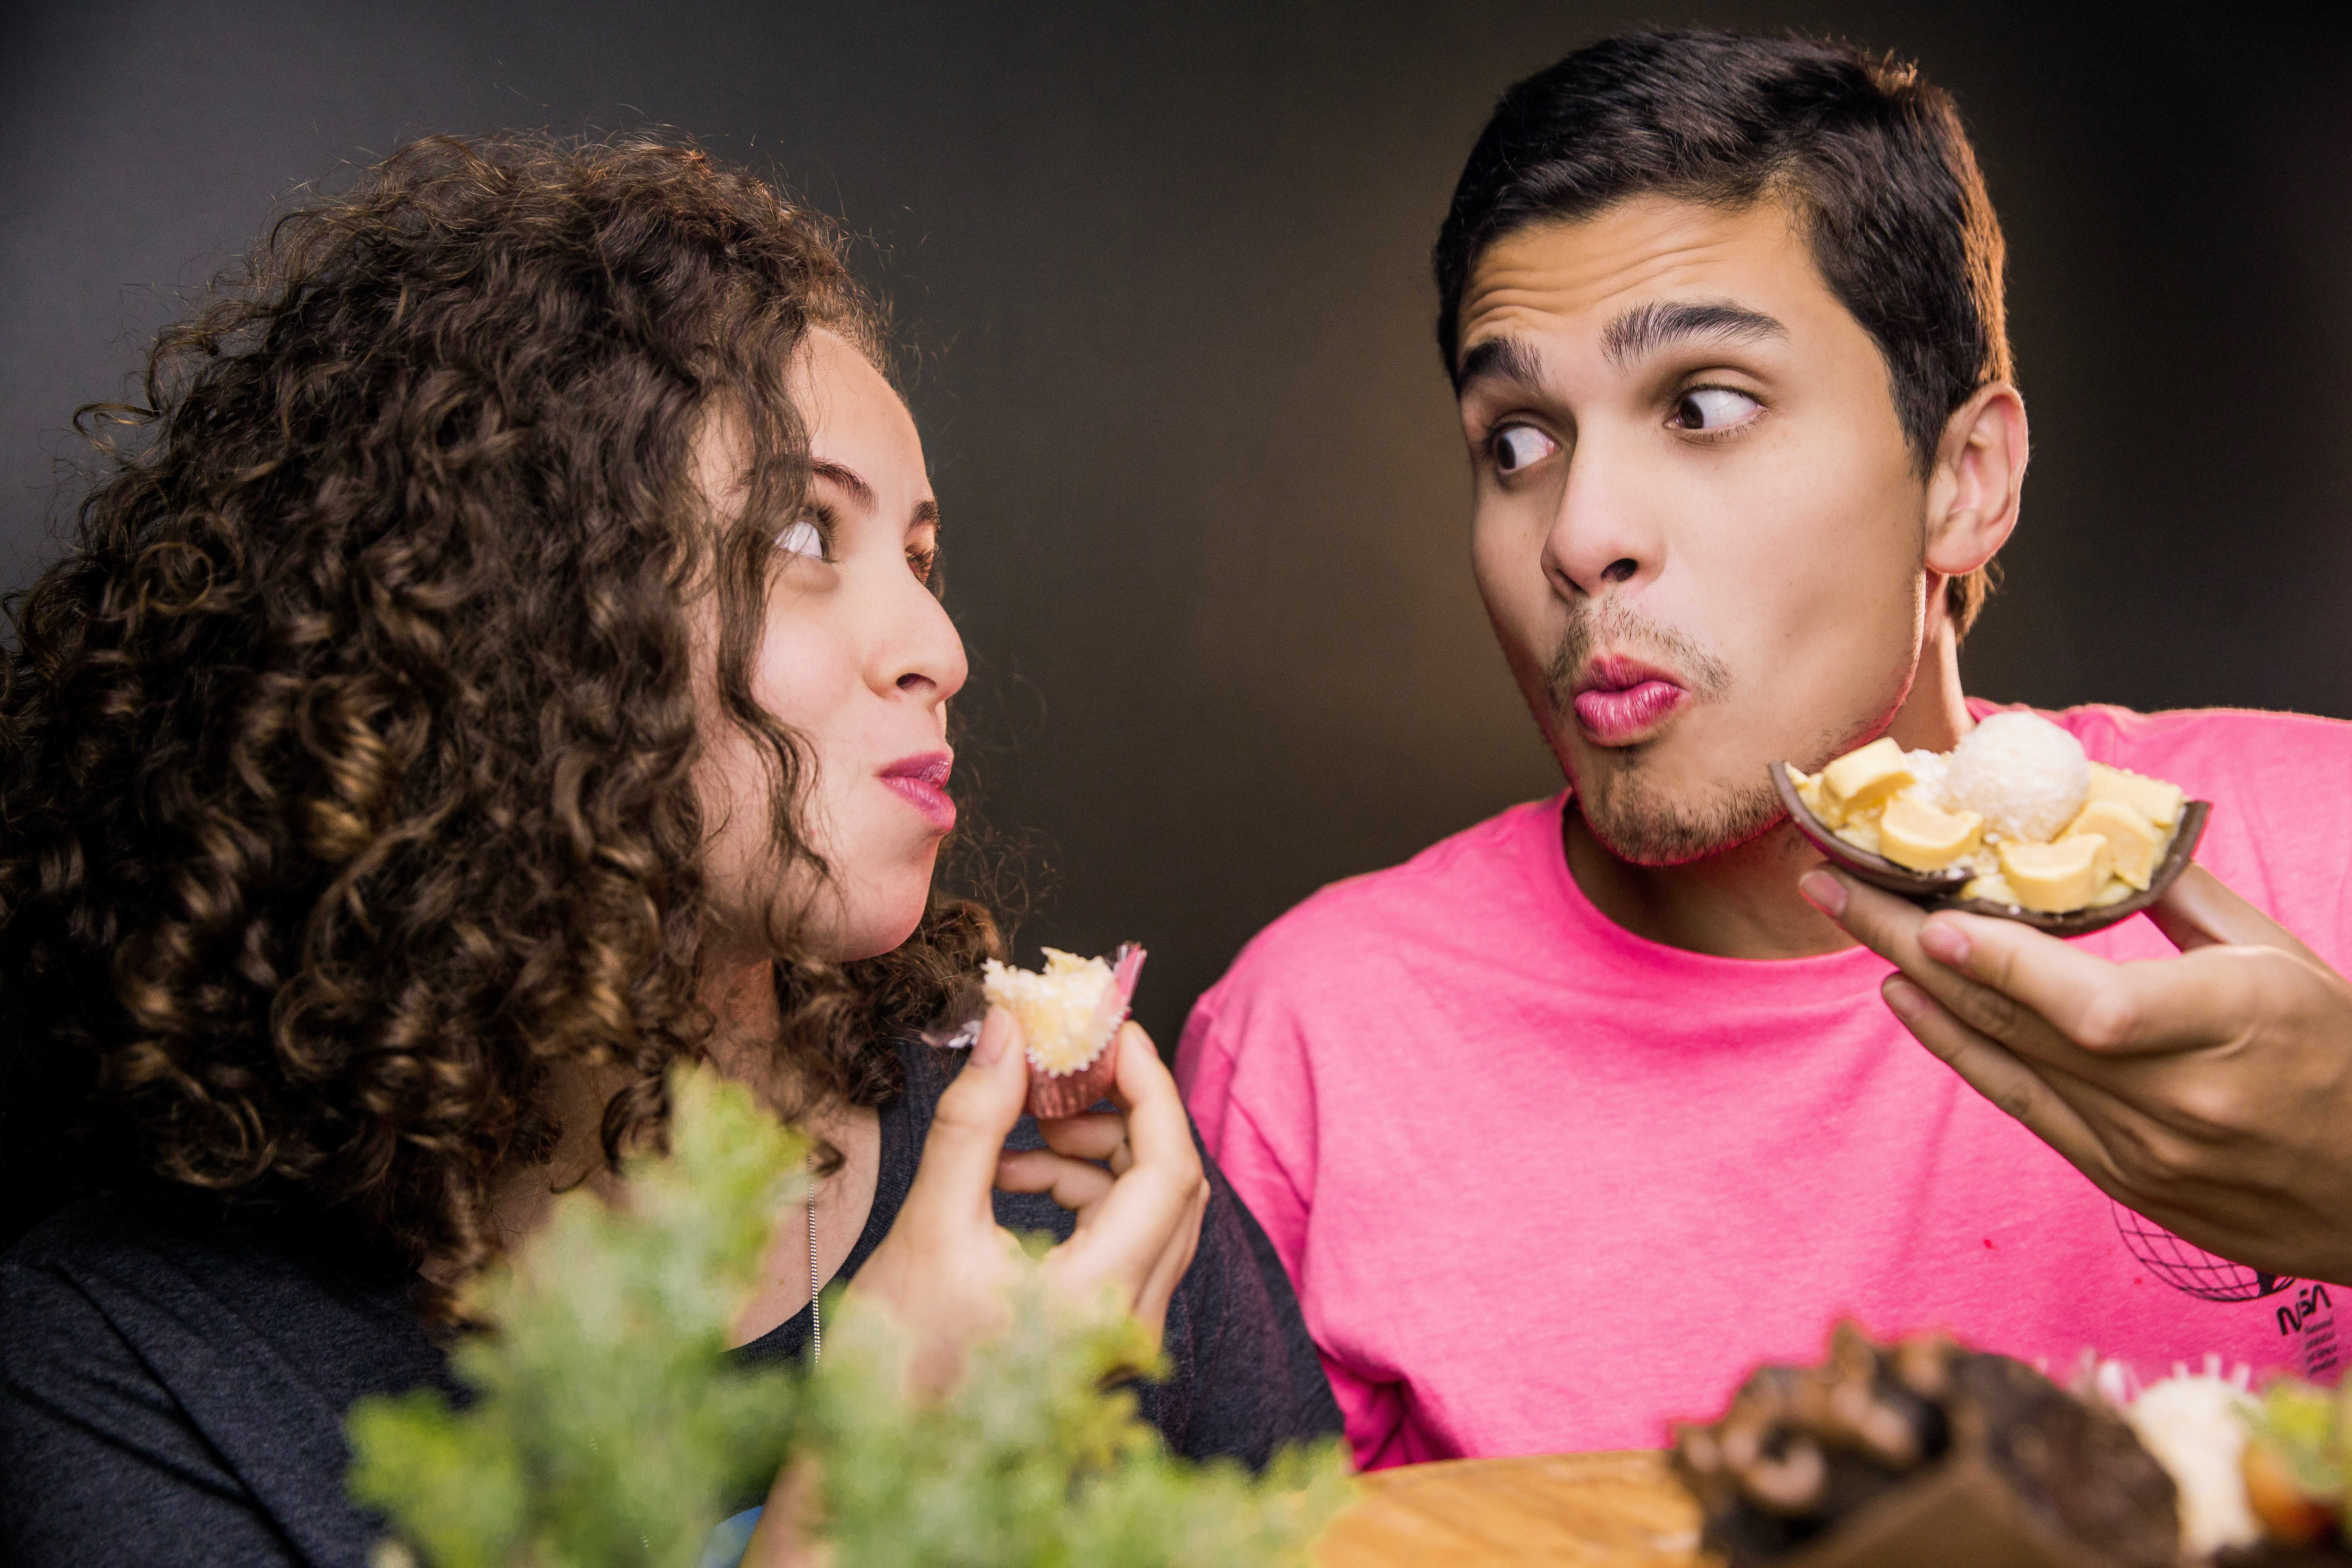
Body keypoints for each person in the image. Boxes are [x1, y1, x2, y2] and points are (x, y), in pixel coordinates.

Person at [0, 134, 1338, 1567]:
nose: (940, 649)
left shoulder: (1073, 1203)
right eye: (805, 534)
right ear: (511, 619)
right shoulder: (137, 1369)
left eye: (924, 561)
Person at [1176, 28, 2352, 1470]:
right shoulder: (1313, 1050)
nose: (1580, 535)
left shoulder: (2319, 857)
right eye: (1518, 441)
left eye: (1704, 407)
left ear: (1965, 483)